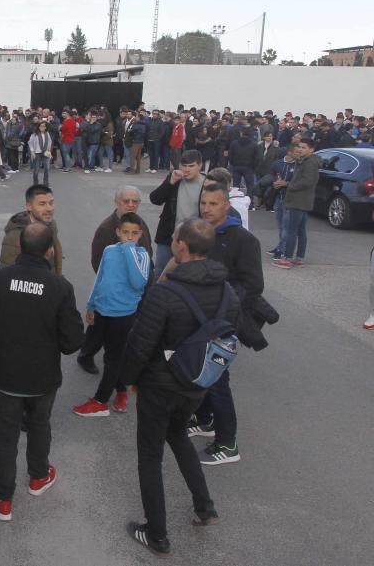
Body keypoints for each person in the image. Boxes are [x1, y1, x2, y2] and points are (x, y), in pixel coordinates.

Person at [120, 219, 233, 556]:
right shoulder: (227, 290)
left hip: (160, 386)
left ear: (182, 246)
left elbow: (140, 345)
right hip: (197, 385)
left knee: (150, 456)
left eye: (174, 238)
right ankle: (204, 505)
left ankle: (156, 534)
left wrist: (129, 380)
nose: (171, 241)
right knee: (179, 435)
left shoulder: (165, 293)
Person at [0, 223, 85, 521]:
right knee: (39, 424)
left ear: (19, 247)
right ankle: (38, 477)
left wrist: (3, 332)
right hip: (43, 377)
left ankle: (4, 498)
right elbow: (73, 341)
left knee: (6, 435)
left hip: (5, 374)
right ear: (49, 251)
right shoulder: (61, 287)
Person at [187, 184, 264, 466]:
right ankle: (205, 420)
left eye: (213, 204)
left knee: (218, 380)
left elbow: (253, 285)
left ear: (226, 206)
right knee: (202, 374)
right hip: (199, 320)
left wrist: (223, 309)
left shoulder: (242, 239)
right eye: (203, 203)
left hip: (222, 323)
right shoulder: (201, 232)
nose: (206, 208)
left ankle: (227, 442)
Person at [71, 213, 150, 417]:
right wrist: (91, 304)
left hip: (123, 316)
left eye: (134, 233)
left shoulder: (141, 255)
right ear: (117, 232)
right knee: (110, 353)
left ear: (140, 234)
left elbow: (138, 282)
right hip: (101, 310)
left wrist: (128, 249)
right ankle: (122, 390)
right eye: (125, 233)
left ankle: (100, 401)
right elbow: (100, 278)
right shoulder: (109, 250)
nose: (129, 237)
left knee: (113, 358)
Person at [149, 150, 206, 275]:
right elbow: (155, 199)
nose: (187, 169)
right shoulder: (175, 178)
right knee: (161, 271)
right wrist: (170, 183)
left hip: (194, 239)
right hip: (168, 237)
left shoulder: (206, 183)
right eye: (184, 166)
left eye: (191, 166)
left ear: (200, 166)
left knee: (190, 274)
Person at [273, 139, 320, 269]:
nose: (300, 149)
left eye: (304, 147)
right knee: (300, 230)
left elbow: (308, 181)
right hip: (301, 200)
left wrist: (290, 185)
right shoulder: (304, 161)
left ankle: (287, 258)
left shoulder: (310, 163)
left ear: (311, 149)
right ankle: (299, 258)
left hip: (298, 200)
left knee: (291, 230)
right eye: (299, 146)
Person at [0, 184, 63, 274]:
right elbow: (6, 273)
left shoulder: (52, 224)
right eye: (42, 204)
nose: (49, 208)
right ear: (29, 206)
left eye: (51, 203)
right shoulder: (15, 236)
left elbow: (57, 254)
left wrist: (57, 280)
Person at [28, 121, 53, 185]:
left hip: (46, 152)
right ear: (38, 127)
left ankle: (46, 183)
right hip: (37, 153)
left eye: (44, 126)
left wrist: (49, 151)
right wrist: (32, 152)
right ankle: (35, 183)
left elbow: (50, 142)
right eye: (41, 126)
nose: (42, 127)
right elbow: (30, 143)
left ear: (45, 127)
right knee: (36, 169)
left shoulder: (47, 134)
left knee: (47, 168)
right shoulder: (34, 134)